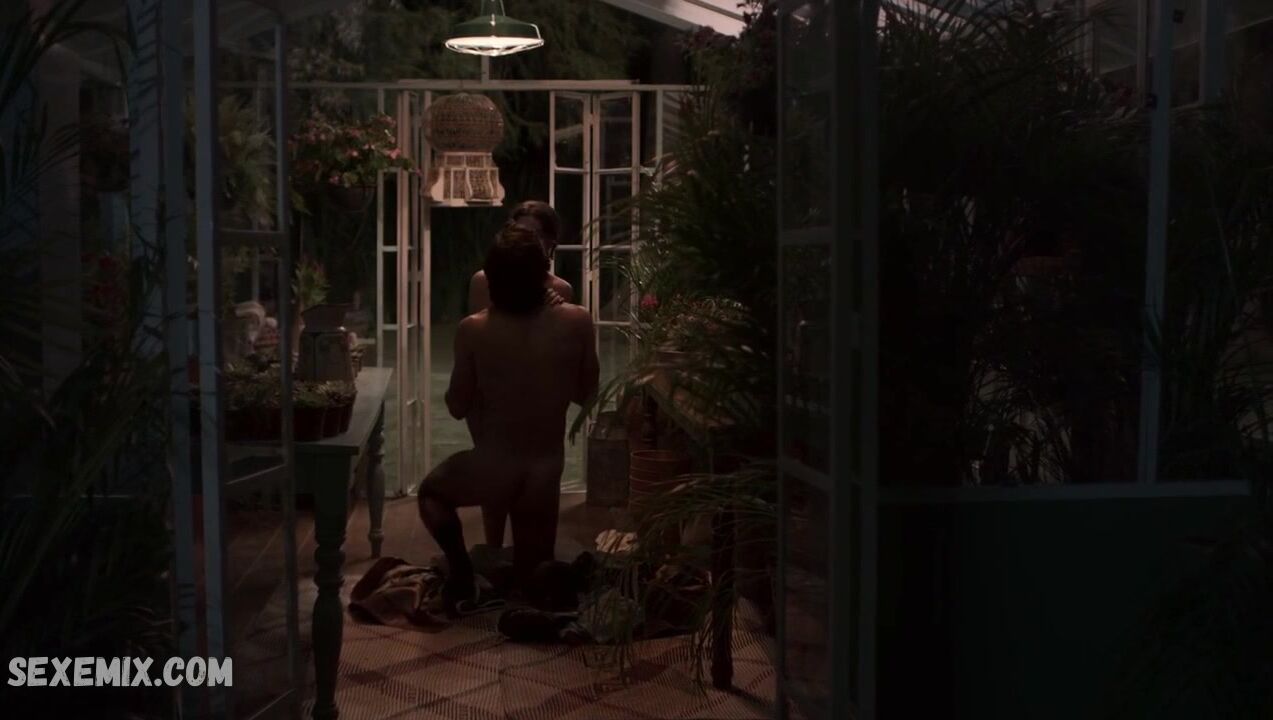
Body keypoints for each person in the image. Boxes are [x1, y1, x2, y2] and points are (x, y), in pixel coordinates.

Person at [419, 223, 600, 612]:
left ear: (492, 279)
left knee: (431, 494)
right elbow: (587, 395)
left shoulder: (474, 329)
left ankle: (462, 574)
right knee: (535, 580)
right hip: (545, 472)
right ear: (544, 275)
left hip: (494, 468)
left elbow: (456, 406)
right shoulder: (578, 321)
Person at [466, 201, 572, 548]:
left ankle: (536, 560)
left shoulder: (561, 290)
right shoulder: (483, 282)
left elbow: (563, 362)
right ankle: (494, 552)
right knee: (494, 489)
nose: (527, 239)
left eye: (536, 234)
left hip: (537, 403)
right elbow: (477, 346)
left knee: (538, 497)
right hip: (490, 401)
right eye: (520, 231)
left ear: (551, 243)